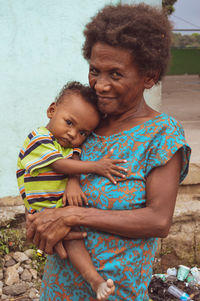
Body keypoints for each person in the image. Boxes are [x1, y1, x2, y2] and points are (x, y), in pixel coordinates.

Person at [26, 3, 191, 300]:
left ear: (149, 77)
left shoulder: (161, 133)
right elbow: (49, 177)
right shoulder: (84, 126)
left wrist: (73, 215)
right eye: (94, 71)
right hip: (58, 288)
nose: (100, 85)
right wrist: (39, 221)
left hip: (118, 292)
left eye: (115, 74)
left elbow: (158, 221)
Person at [17, 81, 128, 300]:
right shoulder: (38, 138)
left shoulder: (66, 145)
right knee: (71, 242)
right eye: (69, 122)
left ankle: (96, 283)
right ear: (52, 110)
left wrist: (74, 180)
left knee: (71, 242)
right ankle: (95, 280)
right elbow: (60, 165)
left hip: (56, 208)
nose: (72, 134)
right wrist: (97, 166)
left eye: (83, 132)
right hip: (43, 211)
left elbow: (75, 154)